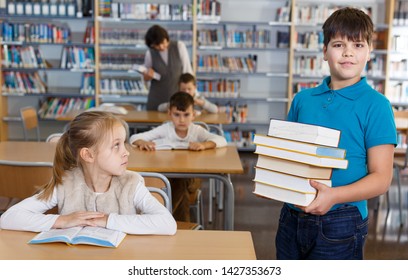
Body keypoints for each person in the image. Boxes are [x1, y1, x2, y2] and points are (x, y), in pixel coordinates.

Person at [275, 7, 397, 260]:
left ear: (369, 52)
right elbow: (287, 156)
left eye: (358, 44)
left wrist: (334, 196)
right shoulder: (303, 99)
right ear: (324, 51)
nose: (348, 52)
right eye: (339, 44)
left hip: (342, 219)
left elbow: (382, 177)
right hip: (292, 214)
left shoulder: (377, 105)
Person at [0, 111, 177, 235]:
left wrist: (108, 220)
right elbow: (8, 219)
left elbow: (167, 224)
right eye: (116, 145)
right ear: (88, 155)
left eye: (123, 143)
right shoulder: (66, 183)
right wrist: (62, 221)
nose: (126, 152)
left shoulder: (131, 183)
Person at [130, 92, 227, 222]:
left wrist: (204, 145)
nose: (181, 120)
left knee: (181, 182)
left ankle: (163, 218)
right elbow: (134, 138)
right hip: (171, 176)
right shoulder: (166, 128)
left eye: (186, 115)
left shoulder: (196, 130)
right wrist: (143, 142)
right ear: (169, 113)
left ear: (194, 114)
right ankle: (177, 224)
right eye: (177, 115)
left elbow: (221, 140)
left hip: (193, 178)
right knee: (180, 188)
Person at [143, 24, 193, 110]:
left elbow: (187, 71)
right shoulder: (150, 53)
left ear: (167, 38)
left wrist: (189, 93)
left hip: (177, 100)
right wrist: (146, 77)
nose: (161, 47)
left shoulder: (179, 46)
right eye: (157, 45)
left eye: (163, 43)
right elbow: (145, 78)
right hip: (156, 100)